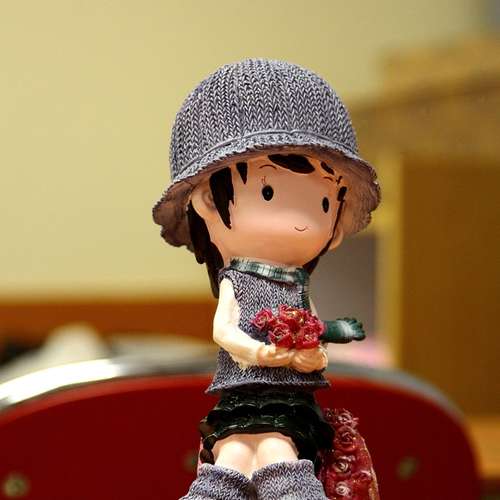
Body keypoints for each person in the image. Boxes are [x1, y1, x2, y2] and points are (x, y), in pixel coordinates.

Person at [153, 59, 380, 500]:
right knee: (233, 452)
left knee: (279, 448)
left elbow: (314, 330)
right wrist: (258, 351)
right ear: (207, 201)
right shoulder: (236, 282)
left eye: (323, 203)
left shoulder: (298, 287)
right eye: (269, 192)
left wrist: (315, 354)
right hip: (242, 391)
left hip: (292, 398)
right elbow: (224, 331)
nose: (301, 221)